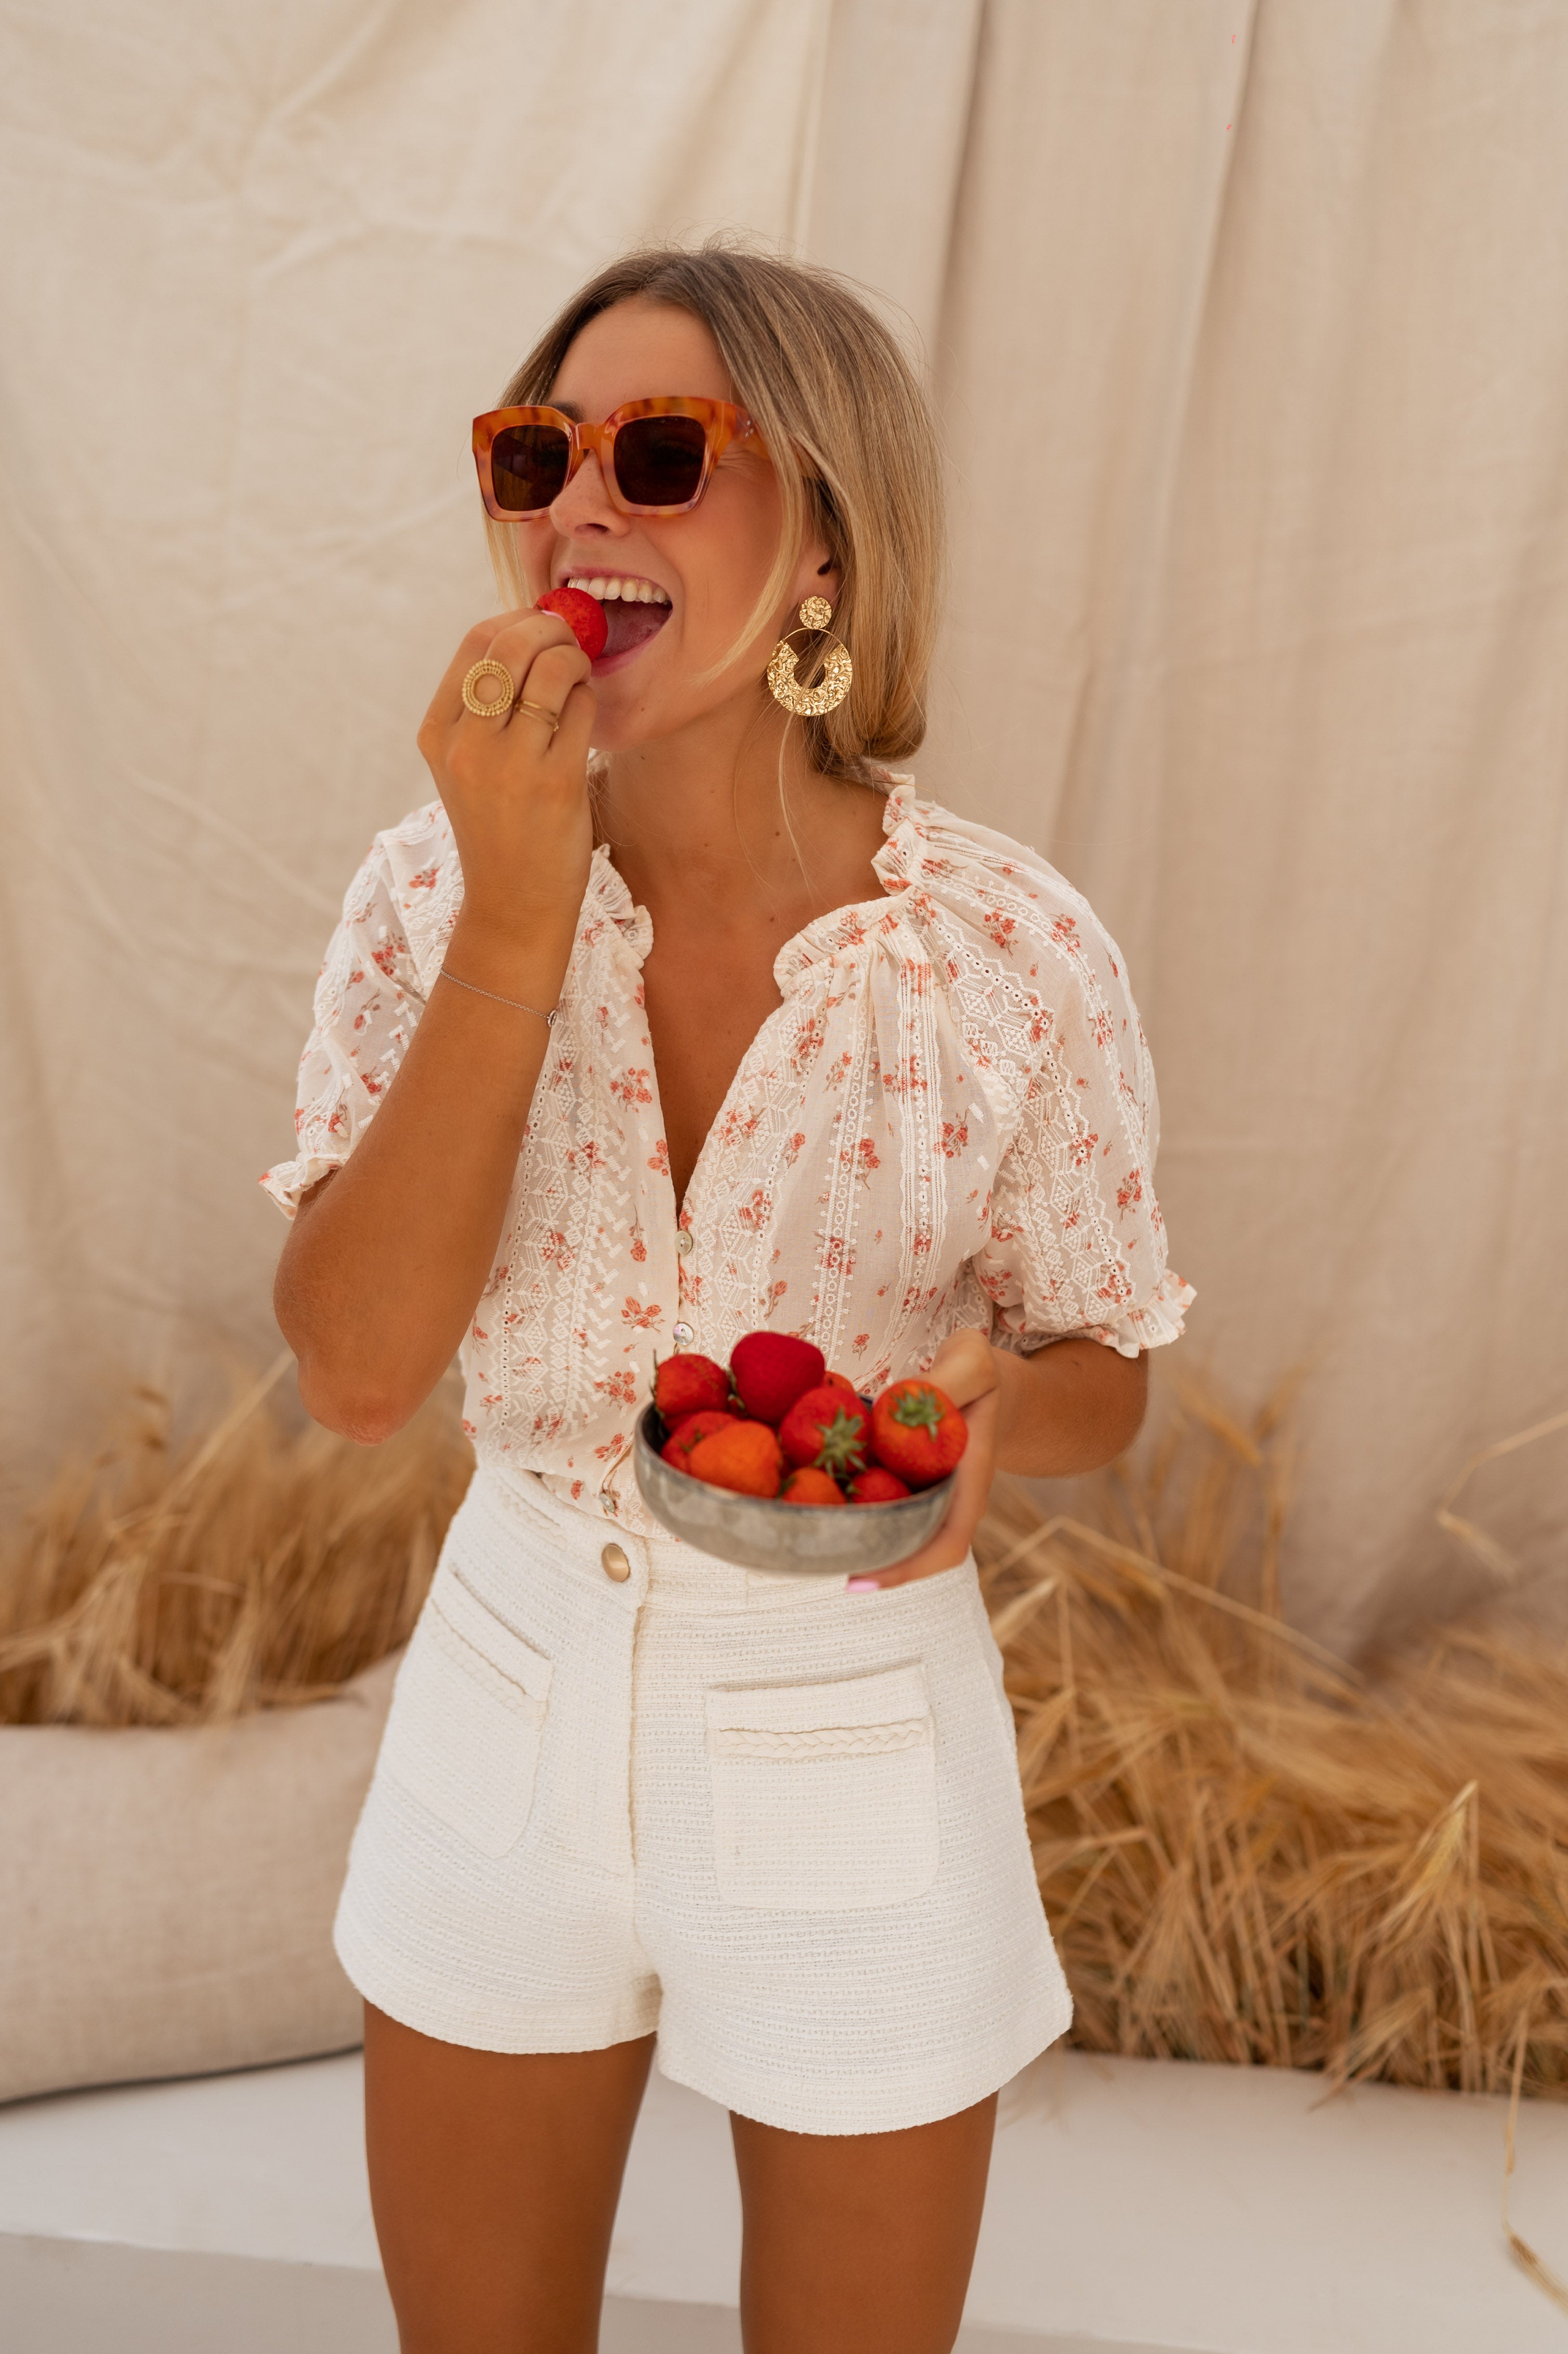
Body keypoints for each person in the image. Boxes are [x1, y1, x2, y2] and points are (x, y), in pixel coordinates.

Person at [266, 242, 1192, 2354]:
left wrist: (980, 1412)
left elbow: (1108, 1367)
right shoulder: (428, 891)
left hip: (856, 1728)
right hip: (504, 1690)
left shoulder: (1004, 953)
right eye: (540, 454)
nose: (580, 505)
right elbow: (355, 1372)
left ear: (824, 554)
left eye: (661, 454)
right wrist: (516, 903)